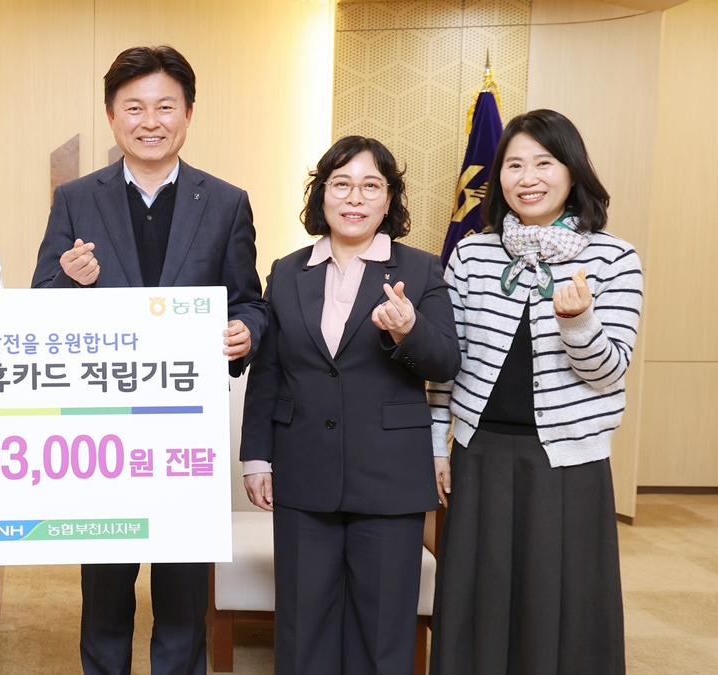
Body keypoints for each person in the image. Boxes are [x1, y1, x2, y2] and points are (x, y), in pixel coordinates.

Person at [31, 45, 268, 675]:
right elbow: (39, 307)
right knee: (105, 595)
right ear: (112, 116)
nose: (150, 121)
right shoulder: (76, 198)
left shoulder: (226, 202)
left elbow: (250, 301)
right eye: (133, 107)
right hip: (103, 431)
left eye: (165, 106)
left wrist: (244, 332)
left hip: (185, 433)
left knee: (183, 597)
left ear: (188, 113)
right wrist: (68, 279)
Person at [428, 109, 641, 675]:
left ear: (572, 170)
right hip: (479, 453)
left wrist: (579, 323)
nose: (528, 178)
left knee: (560, 604)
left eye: (543, 163)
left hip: (568, 462)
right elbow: (447, 363)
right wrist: (435, 443)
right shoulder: (471, 254)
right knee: (476, 601)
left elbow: (609, 372)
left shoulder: (614, 257)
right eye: (514, 165)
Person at [240, 136, 460, 675]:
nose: (354, 198)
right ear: (321, 195)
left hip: (389, 476)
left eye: (370, 186)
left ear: (389, 200)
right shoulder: (287, 271)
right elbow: (269, 372)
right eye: (341, 184)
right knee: (302, 625)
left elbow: (445, 362)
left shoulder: (422, 269)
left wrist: (408, 329)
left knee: (383, 632)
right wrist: (256, 456)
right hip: (302, 467)